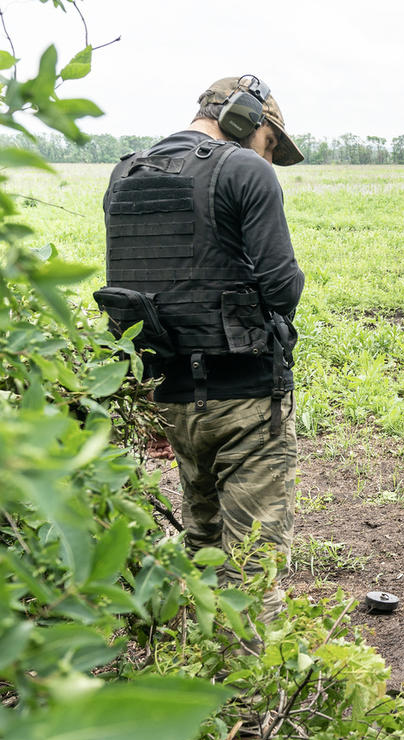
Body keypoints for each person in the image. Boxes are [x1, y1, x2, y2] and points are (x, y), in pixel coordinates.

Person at [96, 75, 305, 624]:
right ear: (245, 118)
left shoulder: (126, 173)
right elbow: (283, 289)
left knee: (202, 551)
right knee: (253, 572)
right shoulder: (243, 167)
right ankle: (256, 701)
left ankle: (200, 680)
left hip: (168, 398)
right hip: (246, 399)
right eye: (270, 142)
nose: (266, 153)